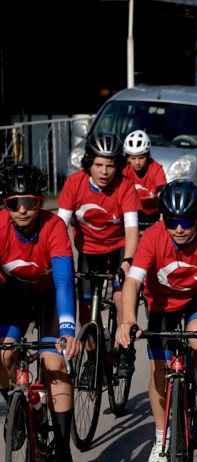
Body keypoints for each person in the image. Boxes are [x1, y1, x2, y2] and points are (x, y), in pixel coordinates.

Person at [116, 179, 197, 462]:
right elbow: (132, 282)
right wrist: (128, 320)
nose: (179, 229)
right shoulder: (152, 236)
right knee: (159, 370)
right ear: (163, 219)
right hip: (162, 301)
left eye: (186, 221)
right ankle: (162, 438)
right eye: (172, 222)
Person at [0, 164, 81, 462]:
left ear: (41, 201)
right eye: (13, 203)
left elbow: (63, 281)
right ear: (5, 204)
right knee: (3, 356)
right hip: (14, 295)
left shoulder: (54, 226)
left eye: (30, 202)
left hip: (50, 296)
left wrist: (68, 331)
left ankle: (62, 447)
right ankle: (21, 408)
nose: (22, 210)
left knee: (54, 362)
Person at [57, 132, 140, 328]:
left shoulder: (125, 185)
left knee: (121, 299)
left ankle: (121, 343)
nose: (104, 172)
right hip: (89, 250)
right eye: (98, 165)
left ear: (117, 166)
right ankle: (94, 345)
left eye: (110, 166)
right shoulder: (74, 183)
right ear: (89, 163)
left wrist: (128, 261)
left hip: (118, 247)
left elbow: (131, 229)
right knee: (85, 309)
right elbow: (59, 227)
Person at [123, 129, 167, 230]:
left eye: (141, 158)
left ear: (147, 156)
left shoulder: (156, 168)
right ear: (127, 158)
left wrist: (163, 214)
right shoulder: (125, 169)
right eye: (133, 158)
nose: (137, 162)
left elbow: (162, 194)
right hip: (134, 210)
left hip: (155, 212)